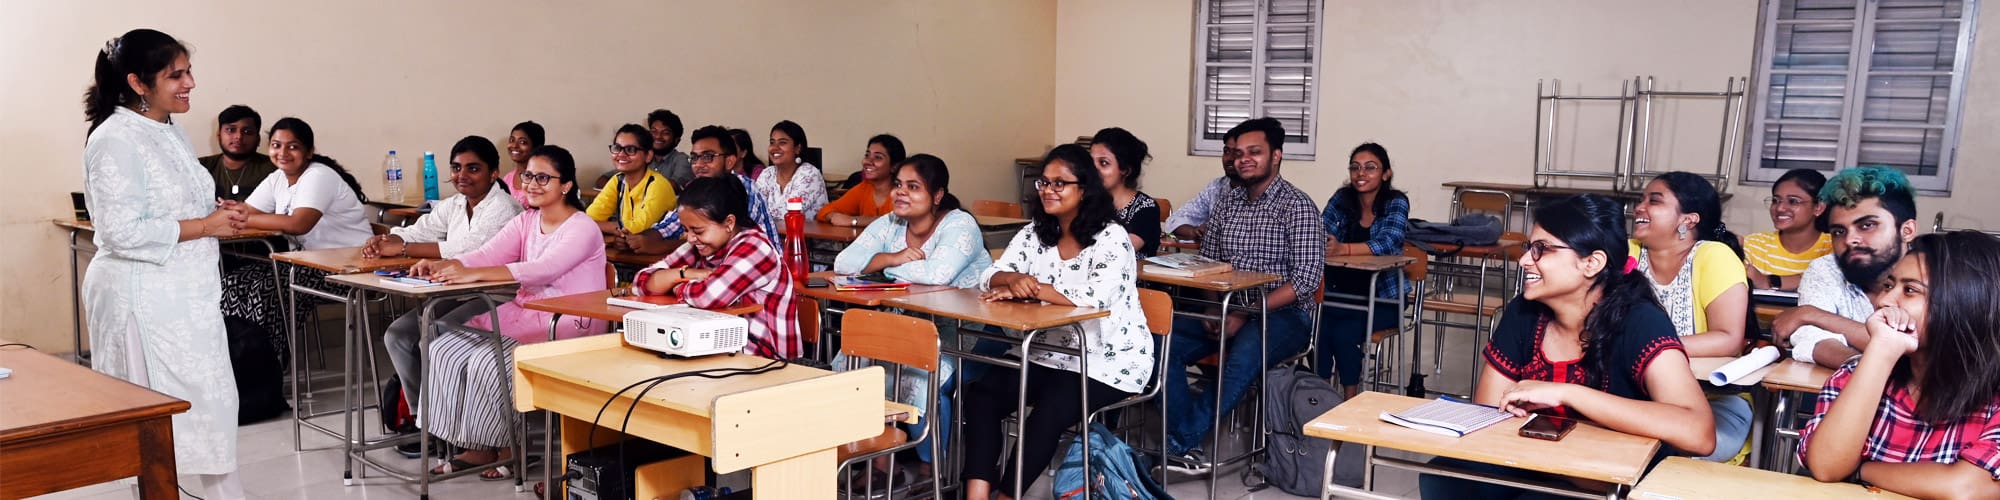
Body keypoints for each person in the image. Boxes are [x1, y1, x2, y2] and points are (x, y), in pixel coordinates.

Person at [1418, 195, 1714, 499]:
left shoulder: (1640, 321)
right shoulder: (1524, 311)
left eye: (1542, 249)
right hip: (1538, 460)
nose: (1525, 260)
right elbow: (1489, 415)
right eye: (1529, 248)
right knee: (1446, 477)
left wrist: (1568, 393)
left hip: (1607, 478)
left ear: (1592, 263)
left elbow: (1699, 433)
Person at [79, 28, 247, 500]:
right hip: (145, 302)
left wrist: (219, 213)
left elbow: (175, 203)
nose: (190, 83)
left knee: (210, 411)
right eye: (176, 75)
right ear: (137, 83)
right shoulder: (114, 138)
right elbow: (120, 231)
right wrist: (206, 225)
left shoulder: (169, 129)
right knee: (158, 428)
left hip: (186, 299)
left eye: (189, 71)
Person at [407, 145, 609, 477]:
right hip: (526, 312)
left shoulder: (581, 227)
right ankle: (476, 445)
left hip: (568, 320)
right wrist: (445, 265)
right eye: (528, 176)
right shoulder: (528, 220)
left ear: (566, 185)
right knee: (443, 348)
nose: (532, 184)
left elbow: (544, 269)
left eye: (543, 178)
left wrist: (473, 274)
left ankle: (512, 447)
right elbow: (487, 254)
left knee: (488, 361)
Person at [962, 144, 1150, 500]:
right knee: (983, 397)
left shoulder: (1111, 237)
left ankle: (1007, 496)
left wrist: (1032, 287)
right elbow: (990, 274)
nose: (1048, 190)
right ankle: (976, 496)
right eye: (1044, 183)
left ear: (1085, 188)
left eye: (1060, 183)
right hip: (1046, 351)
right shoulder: (1036, 231)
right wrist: (1011, 280)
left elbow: (1096, 296)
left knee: (1047, 414)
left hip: (1107, 359)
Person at [1162, 117, 1322, 473]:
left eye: (1255, 152)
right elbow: (1209, 265)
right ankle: (1186, 436)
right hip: (1224, 306)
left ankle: (1179, 441)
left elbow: (1306, 280)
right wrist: (1211, 309)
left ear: (1276, 156)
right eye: (1238, 153)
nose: (1243, 159)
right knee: (1160, 342)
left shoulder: (1297, 206)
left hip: (1283, 314)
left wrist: (1245, 313)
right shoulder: (1226, 203)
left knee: (1242, 357)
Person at [1798, 231, 2000, 499]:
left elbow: (1967, 487)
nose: (1884, 301)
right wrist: (1881, 351)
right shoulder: (1858, 372)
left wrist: (1859, 470)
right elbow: (1826, 466)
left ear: (1968, 302)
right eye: (1888, 285)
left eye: (1910, 290)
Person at [831, 153, 992, 469]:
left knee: (921, 379)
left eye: (913, 187)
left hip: (968, 333)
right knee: (856, 363)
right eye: (898, 185)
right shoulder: (891, 222)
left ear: (937, 195)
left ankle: (932, 471)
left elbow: (937, 274)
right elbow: (843, 263)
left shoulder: (960, 224)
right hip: (910, 326)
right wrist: (892, 258)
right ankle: (879, 463)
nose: (901, 193)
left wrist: (880, 269)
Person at [219, 117, 373, 354]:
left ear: (309, 151)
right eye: (276, 145)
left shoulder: (318, 176)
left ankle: (271, 362)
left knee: (266, 288)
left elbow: (299, 224)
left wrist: (243, 217)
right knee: (233, 282)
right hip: (309, 264)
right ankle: (240, 359)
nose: (282, 153)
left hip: (349, 268)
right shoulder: (277, 178)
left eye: (293, 147)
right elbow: (248, 210)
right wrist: (233, 211)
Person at [1629, 171, 1753, 463]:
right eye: (1641, 199)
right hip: (1635, 396)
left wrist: (1645, 349)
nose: (1639, 208)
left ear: (1688, 219)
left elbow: (1728, 339)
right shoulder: (1628, 253)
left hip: (1711, 403)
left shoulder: (1713, 256)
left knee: (1656, 454)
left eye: (1654, 201)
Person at [634, 176, 803, 359]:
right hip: (719, 355)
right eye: (685, 230)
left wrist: (675, 285)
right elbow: (641, 282)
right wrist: (687, 273)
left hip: (767, 361)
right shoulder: (700, 246)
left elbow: (708, 296)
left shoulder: (755, 248)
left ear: (729, 223)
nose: (690, 238)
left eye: (698, 230)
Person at [1774, 166, 1922, 368]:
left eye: (1867, 225)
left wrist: (1811, 313)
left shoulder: (1934, 275)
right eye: (1839, 231)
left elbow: (1919, 352)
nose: (1850, 240)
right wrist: (1868, 371)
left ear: (1907, 230)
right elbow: (1811, 337)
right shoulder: (1826, 269)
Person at [1317, 142, 1410, 398]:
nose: (1361, 173)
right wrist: (1327, 243)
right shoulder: (1341, 199)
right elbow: (1321, 230)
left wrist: (1343, 249)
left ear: (1386, 174)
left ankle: (1350, 399)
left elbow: (1388, 242)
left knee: (1344, 333)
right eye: (1355, 167)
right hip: (1340, 294)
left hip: (1383, 298)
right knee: (1318, 328)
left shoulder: (1396, 202)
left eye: (1370, 168)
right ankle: (1319, 396)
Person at [363, 135, 523, 260]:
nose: (462, 175)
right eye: (456, 168)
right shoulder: (454, 203)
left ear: (493, 174)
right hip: (460, 283)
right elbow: (421, 232)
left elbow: (471, 249)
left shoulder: (503, 206)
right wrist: (388, 240)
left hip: (497, 289)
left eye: (473, 169)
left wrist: (403, 248)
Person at [629, 125, 776, 251]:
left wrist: (659, 246)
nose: (698, 164)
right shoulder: (695, 188)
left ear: (730, 161)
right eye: (694, 157)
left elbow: (723, 246)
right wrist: (635, 240)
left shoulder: (743, 189)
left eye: (707, 157)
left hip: (759, 267)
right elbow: (669, 227)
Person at [587, 124, 676, 247]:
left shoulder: (658, 185)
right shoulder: (617, 180)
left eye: (630, 150)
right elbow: (588, 219)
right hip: (629, 249)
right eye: (617, 148)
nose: (621, 154)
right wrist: (615, 228)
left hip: (659, 252)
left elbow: (636, 228)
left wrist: (601, 225)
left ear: (648, 156)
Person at [1743, 168, 1831, 291]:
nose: (1780, 208)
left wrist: (1768, 281)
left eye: (1793, 201)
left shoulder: (1833, 247)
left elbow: (1831, 280)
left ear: (1818, 208)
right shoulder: (1753, 245)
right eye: (1775, 200)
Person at [1089, 127, 1161, 256]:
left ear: (1125, 170)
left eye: (1103, 163)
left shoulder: (1146, 208)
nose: (1093, 169)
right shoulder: (1087, 202)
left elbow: (1117, 253)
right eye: (1090, 161)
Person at [817, 134, 905, 227]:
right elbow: (824, 212)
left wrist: (854, 221)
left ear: (895, 166)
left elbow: (900, 221)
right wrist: (835, 216)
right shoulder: (865, 187)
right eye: (867, 155)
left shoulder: (903, 192)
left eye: (878, 157)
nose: (867, 162)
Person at [1163, 144, 1244, 240]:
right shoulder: (1216, 187)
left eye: (1237, 152)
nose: (1230, 158)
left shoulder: (1257, 191)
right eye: (1226, 151)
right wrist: (1195, 231)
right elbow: (1174, 220)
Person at [198, 104, 276, 202]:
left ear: (258, 139)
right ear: (218, 135)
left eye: (247, 132)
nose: (238, 136)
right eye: (231, 130)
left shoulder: (275, 170)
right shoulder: (199, 168)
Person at [753, 120, 829, 217]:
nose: (774, 148)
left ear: (798, 148)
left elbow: (787, 215)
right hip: (771, 227)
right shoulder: (767, 174)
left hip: (803, 228)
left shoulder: (809, 174)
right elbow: (754, 210)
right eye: (772, 142)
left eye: (782, 142)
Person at [499, 121, 544, 207]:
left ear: (537, 147)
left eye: (522, 142)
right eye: (512, 140)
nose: (515, 146)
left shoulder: (542, 180)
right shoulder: (507, 179)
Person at [646, 108, 692, 191]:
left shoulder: (682, 160)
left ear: (677, 140)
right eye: (654, 131)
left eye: (665, 133)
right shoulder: (643, 158)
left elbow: (673, 186)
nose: (658, 136)